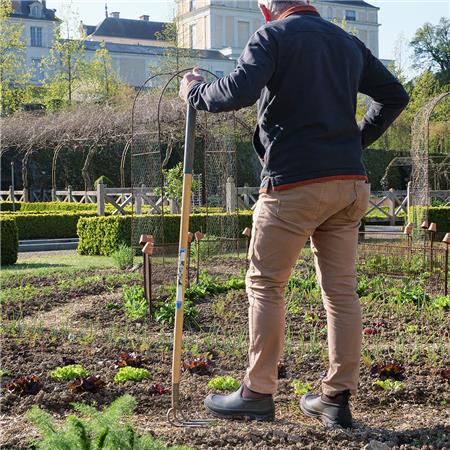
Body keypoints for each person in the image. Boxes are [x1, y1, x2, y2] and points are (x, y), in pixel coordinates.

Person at [179, 0, 409, 427]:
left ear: (268, 10)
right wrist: (355, 141)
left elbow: (237, 90)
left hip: (293, 184)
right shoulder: (348, 42)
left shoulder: (272, 36)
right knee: (341, 293)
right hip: (348, 185)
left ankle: (257, 392)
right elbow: (395, 95)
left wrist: (194, 92)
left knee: (266, 284)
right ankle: (335, 399)